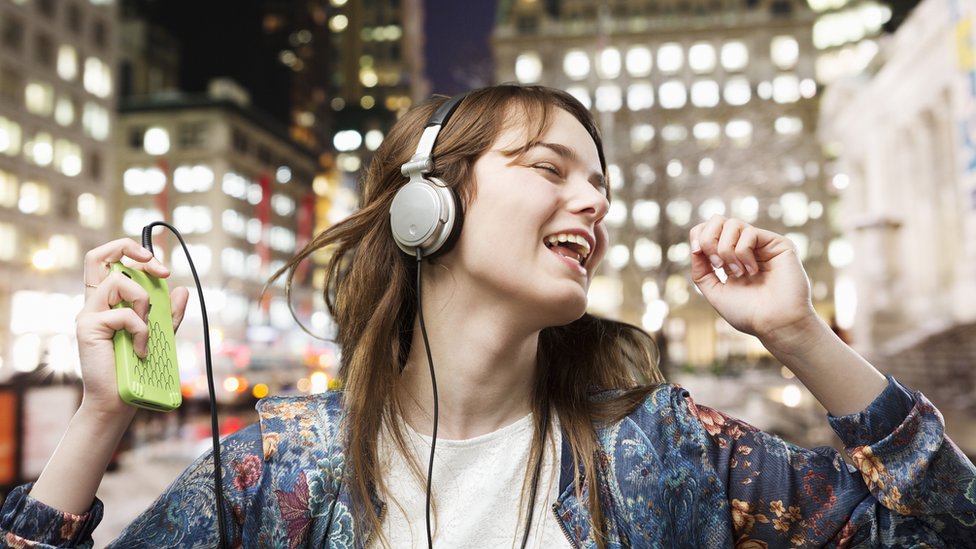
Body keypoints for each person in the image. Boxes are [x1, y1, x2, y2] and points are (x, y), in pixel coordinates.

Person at [2, 84, 974, 548]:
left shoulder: (668, 450)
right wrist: (99, 418)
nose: (592, 202)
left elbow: (947, 534)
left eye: (600, 185)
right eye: (549, 170)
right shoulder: (274, 474)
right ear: (426, 209)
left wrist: (802, 337)